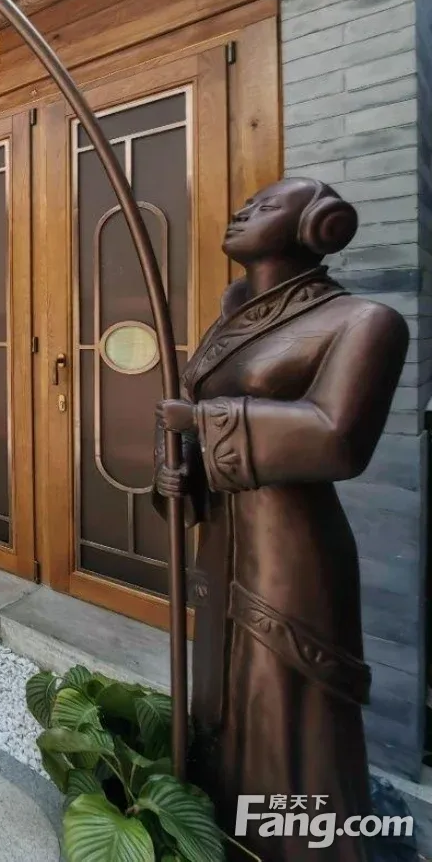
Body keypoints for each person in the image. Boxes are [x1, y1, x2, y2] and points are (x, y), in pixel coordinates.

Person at [154, 178, 407, 862]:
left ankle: (298, 846)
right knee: (223, 695)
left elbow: (337, 438)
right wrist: (181, 469)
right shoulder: (229, 325)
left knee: (284, 703)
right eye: (245, 205)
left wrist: (202, 421)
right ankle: (215, 828)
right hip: (223, 539)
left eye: (264, 207)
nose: (242, 213)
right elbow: (188, 423)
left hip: (290, 551)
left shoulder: (364, 321)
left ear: (319, 224)